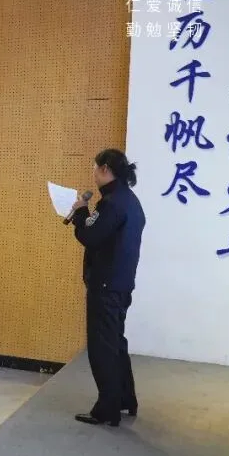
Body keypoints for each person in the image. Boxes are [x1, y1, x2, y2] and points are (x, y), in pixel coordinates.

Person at [68, 148, 145, 427]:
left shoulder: (111, 203)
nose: (93, 173)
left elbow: (91, 236)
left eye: (95, 167)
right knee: (115, 343)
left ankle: (107, 408)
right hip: (121, 284)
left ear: (104, 169)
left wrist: (80, 212)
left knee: (102, 347)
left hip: (106, 285)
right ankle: (124, 399)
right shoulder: (130, 201)